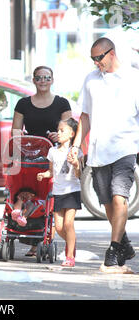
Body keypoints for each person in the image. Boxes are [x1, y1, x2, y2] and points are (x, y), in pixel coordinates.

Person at [69, 37, 138, 268]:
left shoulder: (133, 78)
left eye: (99, 58)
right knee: (107, 202)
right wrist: (76, 145)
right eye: (93, 59)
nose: (97, 63)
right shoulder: (91, 80)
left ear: (111, 53)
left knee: (120, 197)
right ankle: (124, 243)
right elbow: (85, 116)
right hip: (99, 149)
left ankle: (114, 249)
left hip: (125, 147)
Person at [11, 65, 72, 256]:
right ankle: (33, 240)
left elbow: (70, 130)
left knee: (50, 198)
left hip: (54, 156)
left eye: (47, 77)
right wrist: (14, 155)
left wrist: (60, 135)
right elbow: (15, 132)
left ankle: (45, 239)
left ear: (52, 80)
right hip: (29, 158)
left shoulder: (62, 104)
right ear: (34, 80)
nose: (43, 81)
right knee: (30, 193)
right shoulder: (23, 104)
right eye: (39, 78)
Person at [37, 118, 83, 267]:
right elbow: (51, 171)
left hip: (72, 191)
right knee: (59, 226)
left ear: (72, 134)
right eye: (58, 130)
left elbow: (79, 174)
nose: (59, 133)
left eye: (62, 130)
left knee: (69, 224)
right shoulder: (52, 151)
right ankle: (71, 242)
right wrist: (44, 174)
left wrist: (76, 164)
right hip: (58, 192)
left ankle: (70, 256)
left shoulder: (76, 151)